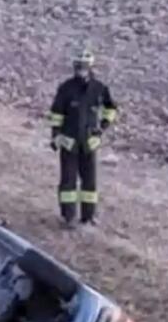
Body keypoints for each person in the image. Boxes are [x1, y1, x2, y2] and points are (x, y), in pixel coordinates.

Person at [47, 47, 118, 227]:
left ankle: (88, 216)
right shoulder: (66, 88)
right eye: (78, 66)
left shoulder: (99, 89)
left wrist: (103, 126)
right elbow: (56, 114)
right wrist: (55, 135)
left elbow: (111, 108)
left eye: (84, 66)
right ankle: (68, 216)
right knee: (68, 182)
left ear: (90, 67)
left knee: (89, 182)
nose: (81, 70)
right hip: (69, 142)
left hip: (90, 143)